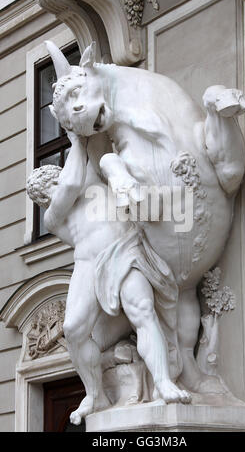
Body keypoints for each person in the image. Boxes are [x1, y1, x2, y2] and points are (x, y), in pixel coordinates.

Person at [27, 130, 191, 425]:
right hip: (88, 263)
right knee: (74, 329)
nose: (51, 193)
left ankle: (163, 381)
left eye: (51, 184)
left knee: (142, 311)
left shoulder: (89, 178)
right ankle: (94, 394)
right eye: (43, 195)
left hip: (124, 250)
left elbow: (88, 161)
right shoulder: (55, 216)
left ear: (58, 175)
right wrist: (75, 139)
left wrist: (77, 130)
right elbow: (72, 182)